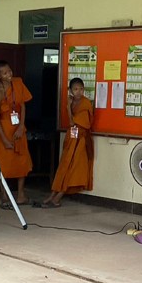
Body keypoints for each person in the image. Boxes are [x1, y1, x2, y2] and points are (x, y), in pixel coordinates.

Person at [41, 77, 93, 208]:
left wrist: (68, 108)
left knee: (72, 169)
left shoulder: (86, 103)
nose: (78, 92)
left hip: (80, 141)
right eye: (75, 89)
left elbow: (72, 122)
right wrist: (69, 106)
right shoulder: (72, 102)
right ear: (70, 90)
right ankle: (53, 195)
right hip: (71, 138)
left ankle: (58, 196)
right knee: (63, 167)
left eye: (81, 89)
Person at [0, 60, 32, 206]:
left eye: (9, 71)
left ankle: (21, 195)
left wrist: (21, 126)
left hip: (18, 128)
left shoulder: (17, 83)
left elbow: (23, 106)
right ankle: (4, 196)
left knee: (22, 161)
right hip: (4, 130)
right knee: (3, 164)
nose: (9, 74)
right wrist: (4, 140)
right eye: (4, 73)